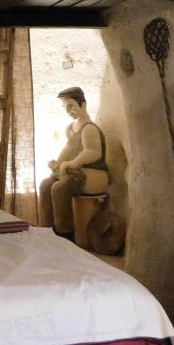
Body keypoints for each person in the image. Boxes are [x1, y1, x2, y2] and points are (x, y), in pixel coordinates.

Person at [38, 86, 108, 238]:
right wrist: (58, 163)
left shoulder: (89, 128)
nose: (68, 110)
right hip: (75, 172)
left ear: (83, 105)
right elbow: (68, 148)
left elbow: (93, 152)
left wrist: (73, 163)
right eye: (65, 107)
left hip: (92, 172)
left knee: (59, 188)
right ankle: (47, 230)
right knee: (45, 184)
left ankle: (65, 234)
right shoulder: (70, 128)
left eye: (71, 106)